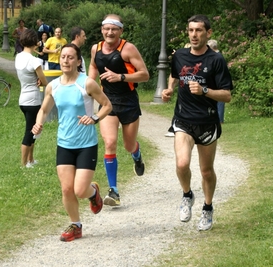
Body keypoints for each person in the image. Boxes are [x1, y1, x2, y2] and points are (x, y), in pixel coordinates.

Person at [31, 43, 112, 242]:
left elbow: (107, 105)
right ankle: (76, 225)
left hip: (86, 144)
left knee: (80, 190)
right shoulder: (53, 86)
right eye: (63, 57)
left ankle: (93, 193)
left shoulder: (87, 84)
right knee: (67, 189)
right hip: (64, 143)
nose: (66, 60)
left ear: (77, 61)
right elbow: (44, 109)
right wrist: (38, 124)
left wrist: (94, 118)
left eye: (70, 57)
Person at [162, 15, 233, 231]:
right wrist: (170, 89)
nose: (194, 35)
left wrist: (205, 91)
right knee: (182, 163)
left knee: (206, 171)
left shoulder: (216, 60)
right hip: (183, 119)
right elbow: (175, 75)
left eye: (199, 30)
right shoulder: (180, 56)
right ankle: (187, 195)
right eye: (191, 30)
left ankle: (208, 208)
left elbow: (227, 95)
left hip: (207, 122)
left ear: (208, 33)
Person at [89, 14, 149, 207]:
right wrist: (89, 87)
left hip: (129, 101)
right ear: (102, 30)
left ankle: (137, 155)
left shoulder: (127, 49)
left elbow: (145, 75)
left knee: (128, 145)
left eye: (114, 29)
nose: (110, 32)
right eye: (106, 28)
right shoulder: (95, 49)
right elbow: (92, 67)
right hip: (108, 102)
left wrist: (121, 77)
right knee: (110, 142)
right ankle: (113, 191)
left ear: (120, 31)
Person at [15, 29, 48, 168]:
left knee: (33, 129)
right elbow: (44, 81)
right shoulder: (34, 61)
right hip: (33, 100)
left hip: (23, 99)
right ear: (35, 42)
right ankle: (23, 164)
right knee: (29, 132)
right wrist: (41, 81)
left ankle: (31, 159)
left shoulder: (18, 57)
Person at [207, 39, 225, 123]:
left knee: (220, 99)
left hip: (218, 81)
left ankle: (219, 119)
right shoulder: (217, 56)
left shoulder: (217, 56)